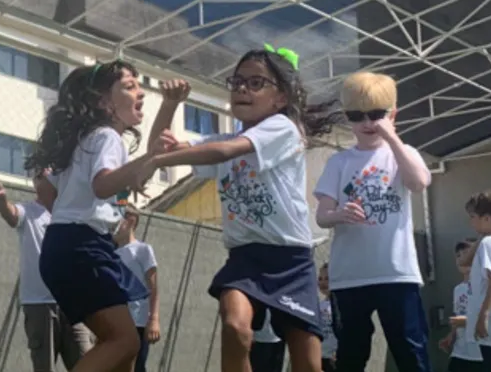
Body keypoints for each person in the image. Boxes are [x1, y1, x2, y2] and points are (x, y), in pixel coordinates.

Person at [139, 45, 341, 372]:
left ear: (281, 98)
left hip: (289, 259)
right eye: (237, 82)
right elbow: (157, 148)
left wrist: (159, 161)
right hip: (245, 257)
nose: (242, 89)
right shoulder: (218, 140)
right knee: (235, 327)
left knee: (307, 364)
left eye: (256, 83)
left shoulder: (283, 130)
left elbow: (225, 151)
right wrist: (170, 105)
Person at [25, 59, 173, 372]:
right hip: (81, 246)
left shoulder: (84, 142)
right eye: (130, 86)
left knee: (124, 353)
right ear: (104, 102)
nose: (141, 93)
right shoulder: (107, 137)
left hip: (69, 245)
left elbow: (45, 188)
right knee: (124, 342)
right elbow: (104, 184)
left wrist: (167, 114)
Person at [313, 71, 432, 372]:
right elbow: (322, 215)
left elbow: (418, 183)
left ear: (393, 114)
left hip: (397, 272)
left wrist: (391, 136)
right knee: (352, 355)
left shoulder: (404, 154)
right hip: (349, 276)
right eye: (356, 115)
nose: (367, 123)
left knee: (410, 350)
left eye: (376, 114)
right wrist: (339, 214)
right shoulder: (339, 162)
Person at [0, 173, 93, 372]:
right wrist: (2, 199)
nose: (40, 180)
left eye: (44, 175)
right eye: (36, 176)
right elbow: (11, 215)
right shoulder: (28, 211)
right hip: (39, 305)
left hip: (73, 305)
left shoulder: (72, 213)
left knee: (88, 363)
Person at [112, 205, 160, 372]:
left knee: (137, 366)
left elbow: (153, 287)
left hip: (138, 322)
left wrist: (153, 319)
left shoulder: (143, 250)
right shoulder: (110, 254)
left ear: (131, 220)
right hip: (115, 323)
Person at [439, 239, 484, 372]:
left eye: (466, 253)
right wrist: (451, 336)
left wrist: (467, 322)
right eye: (458, 255)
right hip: (460, 352)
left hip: (481, 354)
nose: (461, 258)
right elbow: (458, 316)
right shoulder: (458, 289)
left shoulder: (486, 287)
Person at [465, 191, 491, 366]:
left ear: (487, 218)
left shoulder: (489, 243)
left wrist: (483, 316)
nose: (471, 222)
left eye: (473, 216)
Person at [316, 263, 336, 372]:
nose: (323, 282)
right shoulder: (320, 305)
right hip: (319, 355)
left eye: (327, 278)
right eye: (320, 279)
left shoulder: (339, 306)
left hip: (333, 357)